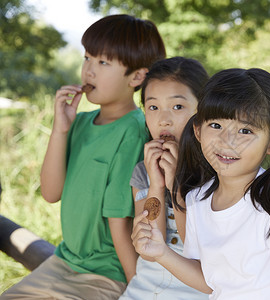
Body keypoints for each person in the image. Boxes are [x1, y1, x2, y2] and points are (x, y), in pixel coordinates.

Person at [1, 14, 166, 299]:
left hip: (107, 272)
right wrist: (61, 129)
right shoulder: (80, 123)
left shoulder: (134, 130)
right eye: (87, 58)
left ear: (137, 77)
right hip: (64, 260)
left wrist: (135, 287)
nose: (89, 70)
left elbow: (119, 219)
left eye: (103, 63)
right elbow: (51, 193)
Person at [132, 68, 270, 299]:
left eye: (245, 130)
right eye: (216, 125)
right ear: (198, 130)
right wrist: (161, 252)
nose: (227, 141)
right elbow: (211, 282)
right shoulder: (198, 198)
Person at [120, 57, 209, 299]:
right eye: (153, 107)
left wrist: (175, 185)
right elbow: (148, 250)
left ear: (203, 111)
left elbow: (195, 249)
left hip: (195, 290)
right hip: (144, 289)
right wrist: (156, 185)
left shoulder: (215, 170)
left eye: (177, 107)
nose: (163, 119)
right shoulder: (143, 171)